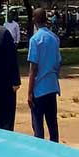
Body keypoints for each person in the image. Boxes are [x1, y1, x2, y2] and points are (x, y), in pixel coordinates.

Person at [27, 8, 61, 142]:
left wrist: (29, 92)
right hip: (52, 86)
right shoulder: (54, 38)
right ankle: (55, 149)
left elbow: (33, 69)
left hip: (39, 89)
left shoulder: (35, 40)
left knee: (38, 125)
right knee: (52, 123)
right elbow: (58, 62)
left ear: (34, 20)